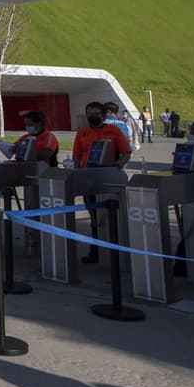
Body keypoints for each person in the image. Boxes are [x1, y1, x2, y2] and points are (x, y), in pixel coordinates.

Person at [72, 100, 132, 264]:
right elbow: (76, 154)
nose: (92, 117)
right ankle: (95, 250)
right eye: (89, 114)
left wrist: (117, 167)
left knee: (111, 214)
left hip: (108, 178)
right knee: (94, 217)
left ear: (104, 115)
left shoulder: (114, 131)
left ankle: (115, 249)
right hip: (88, 178)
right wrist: (77, 172)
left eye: (96, 114)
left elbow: (126, 152)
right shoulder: (82, 133)